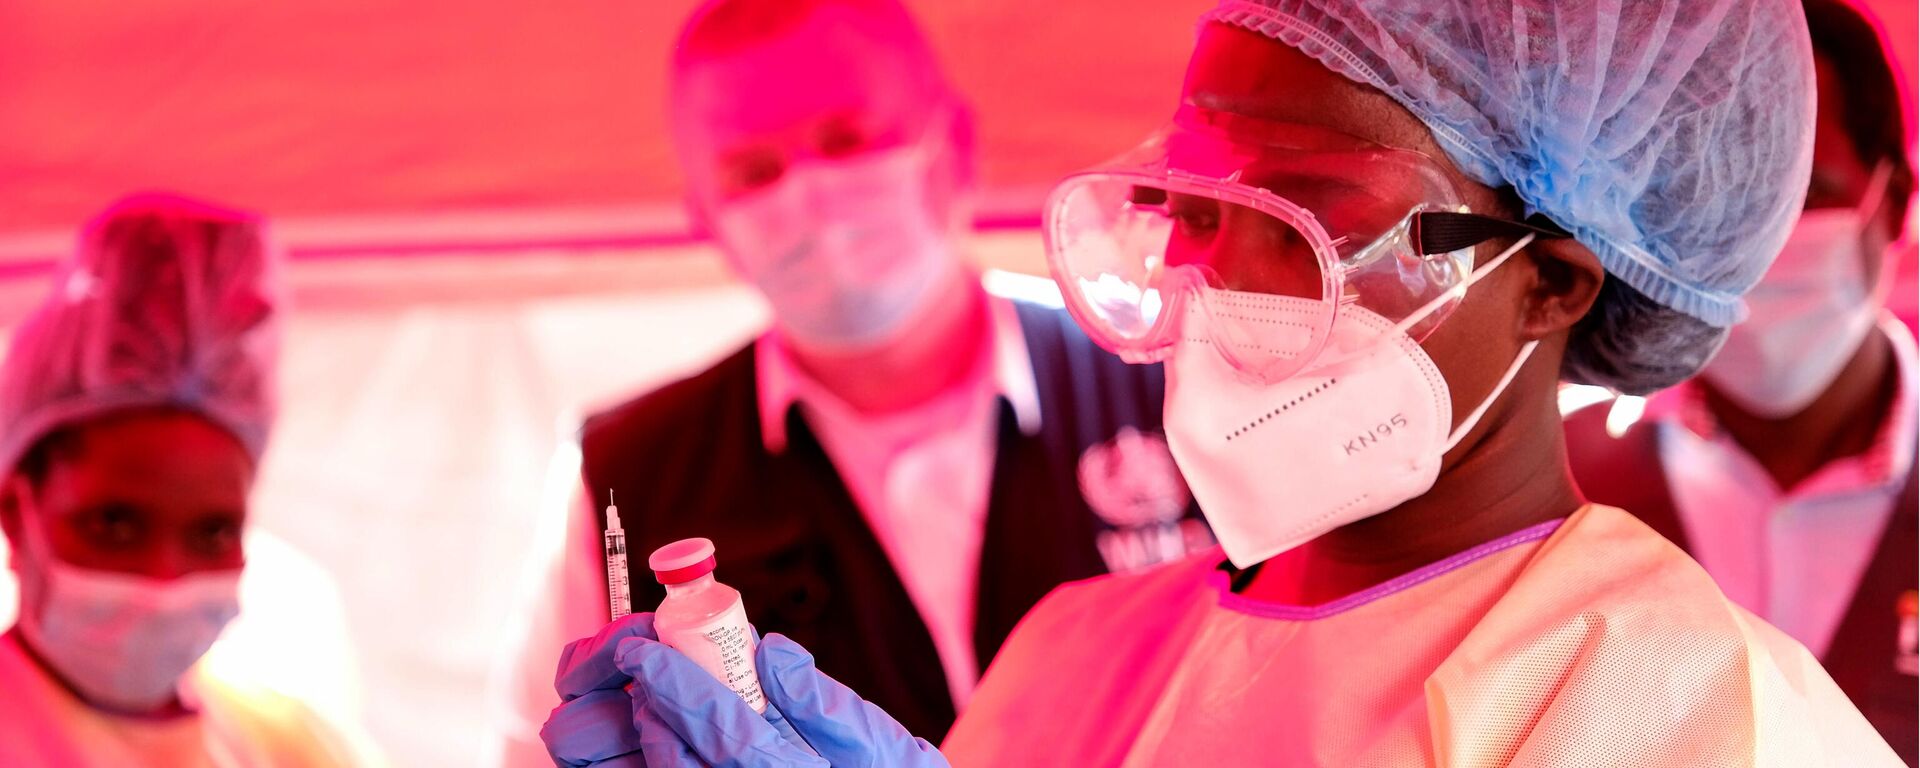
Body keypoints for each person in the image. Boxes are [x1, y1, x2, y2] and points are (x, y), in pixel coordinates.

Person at [537, 0, 1910, 764]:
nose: (1215, 257)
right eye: (1200, 185)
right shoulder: (1081, 656)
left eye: (1306, 202)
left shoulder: (1685, 711)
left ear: (1554, 277)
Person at [489, 0, 1210, 760]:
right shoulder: (630, 478)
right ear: (706, 218)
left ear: (954, 148)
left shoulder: (1168, 373)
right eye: (753, 171)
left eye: (848, 140)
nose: (811, 195)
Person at [1562, 1, 1917, 761]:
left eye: (1809, 195)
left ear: (1892, 203)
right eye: (1726, 202)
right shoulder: (1554, 482)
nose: (1761, 241)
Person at [0, 195, 357, 766]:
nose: (165, 578)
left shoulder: (288, 746)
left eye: (213, 532)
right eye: (115, 524)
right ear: (16, 512)